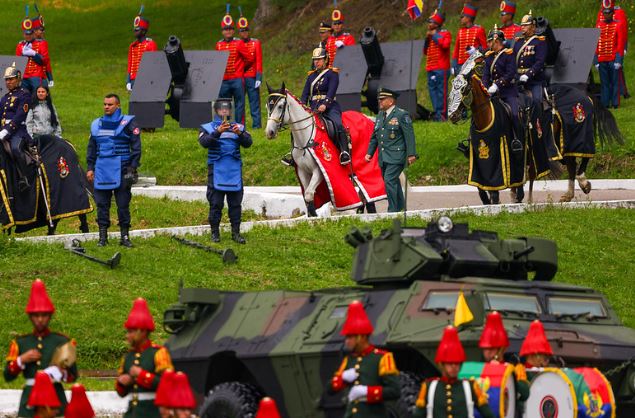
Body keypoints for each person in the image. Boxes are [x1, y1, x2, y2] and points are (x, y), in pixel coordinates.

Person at [3, 279, 78, 417]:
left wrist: (61, 372)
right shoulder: (21, 343)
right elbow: (7, 376)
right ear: (30, 317)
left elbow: (73, 377)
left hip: (56, 398)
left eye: (44, 315)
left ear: (50, 316)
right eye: (36, 315)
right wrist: (21, 360)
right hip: (30, 402)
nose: (40, 319)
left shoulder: (62, 342)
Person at [86, 94, 142, 248]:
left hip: (123, 168)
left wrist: (133, 167)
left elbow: (136, 147)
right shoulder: (96, 124)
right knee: (102, 204)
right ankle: (102, 237)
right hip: (102, 169)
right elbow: (91, 148)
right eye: (104, 104)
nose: (106, 107)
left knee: (123, 204)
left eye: (110, 104)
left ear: (118, 105)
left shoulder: (128, 122)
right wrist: (90, 168)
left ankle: (124, 237)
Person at [330, 301, 400, 417]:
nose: (346, 341)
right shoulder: (349, 360)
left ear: (361, 337)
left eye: (350, 337)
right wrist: (341, 378)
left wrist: (367, 392)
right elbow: (330, 390)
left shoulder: (382, 358)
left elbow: (394, 391)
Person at [199, 99, 252, 244]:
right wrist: (217, 132)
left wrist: (240, 134)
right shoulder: (208, 127)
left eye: (226, 109)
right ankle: (215, 233)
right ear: (216, 111)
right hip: (216, 170)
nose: (224, 111)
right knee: (215, 203)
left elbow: (248, 143)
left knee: (235, 203)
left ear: (230, 110)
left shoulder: (238, 126)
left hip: (234, 170)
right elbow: (204, 143)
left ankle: (236, 233)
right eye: (221, 109)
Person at [413, 326, 495, 418]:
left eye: (457, 363)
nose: (454, 367)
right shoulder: (429, 387)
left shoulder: (471, 386)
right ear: (442, 364)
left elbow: (488, 414)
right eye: (450, 363)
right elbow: (417, 415)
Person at [116, 298, 174, 418]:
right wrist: (122, 383)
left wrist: (141, 374)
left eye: (131, 332)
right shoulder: (128, 357)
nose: (127, 336)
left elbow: (167, 384)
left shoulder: (159, 353)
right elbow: (121, 393)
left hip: (153, 413)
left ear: (142, 331)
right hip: (132, 413)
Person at [365, 88, 417, 212]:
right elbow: (375, 137)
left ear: (391, 101)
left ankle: (392, 210)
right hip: (384, 156)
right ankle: (400, 207)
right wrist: (369, 153)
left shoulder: (401, 115)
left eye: (382, 100)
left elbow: (409, 135)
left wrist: (411, 154)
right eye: (379, 100)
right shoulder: (380, 116)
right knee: (393, 182)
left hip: (397, 155)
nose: (380, 102)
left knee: (389, 180)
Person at [301, 47, 351, 165]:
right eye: (315, 60)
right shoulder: (311, 76)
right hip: (313, 109)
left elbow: (331, 92)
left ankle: (344, 151)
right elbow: (305, 94)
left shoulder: (332, 74)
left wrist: (325, 104)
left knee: (338, 124)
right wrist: (302, 105)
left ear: (326, 59)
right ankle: (295, 153)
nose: (316, 62)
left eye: (319, 59)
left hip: (330, 107)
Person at [479, 312, 530, 411]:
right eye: (485, 348)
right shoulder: (478, 368)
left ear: (501, 349)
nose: (488, 352)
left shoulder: (512, 367)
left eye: (492, 348)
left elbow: (525, 393)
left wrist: (507, 376)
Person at [216, 7, 254, 125]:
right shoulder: (219, 45)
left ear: (233, 31)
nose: (228, 31)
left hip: (237, 79)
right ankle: (225, 125)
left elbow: (250, 58)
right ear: (222, 31)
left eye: (230, 29)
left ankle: (239, 126)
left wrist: (242, 69)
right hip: (224, 80)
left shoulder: (239, 43)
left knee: (239, 104)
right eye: (225, 29)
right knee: (224, 104)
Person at [1, 63, 34, 192]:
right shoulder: (4, 98)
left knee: (15, 149)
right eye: (6, 80)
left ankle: (23, 178)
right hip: (3, 131)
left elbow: (20, 115)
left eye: (11, 79)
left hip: (17, 132)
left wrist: (6, 130)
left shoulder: (24, 95)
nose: (8, 82)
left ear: (18, 79)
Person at [482, 26, 519, 135]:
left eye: (489, 42)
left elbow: (510, 74)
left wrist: (497, 85)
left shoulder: (509, 54)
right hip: (493, 93)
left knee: (515, 115)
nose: (488, 45)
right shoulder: (489, 56)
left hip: (508, 92)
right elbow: (486, 75)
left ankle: (518, 139)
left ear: (496, 41)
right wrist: (485, 87)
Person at [594, 4, 626, 109]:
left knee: (615, 82)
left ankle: (615, 103)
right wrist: (596, 61)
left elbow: (620, 44)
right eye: (604, 13)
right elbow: (596, 44)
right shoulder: (598, 26)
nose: (606, 15)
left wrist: (618, 60)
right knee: (604, 83)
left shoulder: (618, 25)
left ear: (612, 14)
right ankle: (605, 103)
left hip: (613, 58)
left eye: (608, 13)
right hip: (602, 58)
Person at [514, 10, 547, 107]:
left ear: (533, 26)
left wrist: (528, 75)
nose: (522, 27)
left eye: (526, 25)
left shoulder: (540, 42)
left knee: (537, 101)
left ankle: (538, 121)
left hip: (534, 80)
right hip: (518, 79)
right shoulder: (518, 42)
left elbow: (540, 62)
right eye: (522, 25)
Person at [424, 10, 452, 122]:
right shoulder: (429, 35)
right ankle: (436, 113)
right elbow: (425, 51)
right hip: (431, 68)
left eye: (430, 22)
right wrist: (427, 38)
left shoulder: (445, 33)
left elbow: (444, 45)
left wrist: (434, 35)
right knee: (433, 92)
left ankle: (442, 115)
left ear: (436, 23)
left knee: (441, 92)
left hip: (441, 68)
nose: (428, 24)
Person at [237, 10, 263, 129]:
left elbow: (258, 61)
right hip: (240, 77)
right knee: (240, 103)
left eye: (246, 30)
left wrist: (259, 77)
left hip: (252, 77)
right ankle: (239, 126)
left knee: (254, 103)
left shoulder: (255, 43)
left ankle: (256, 126)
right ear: (239, 32)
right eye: (242, 31)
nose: (245, 33)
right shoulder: (236, 44)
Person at [127, 8, 158, 92]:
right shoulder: (132, 46)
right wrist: (128, 81)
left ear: (144, 31)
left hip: (145, 79)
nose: (135, 31)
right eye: (134, 29)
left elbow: (153, 64)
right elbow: (130, 64)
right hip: (133, 79)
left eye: (137, 30)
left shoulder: (150, 44)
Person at [16, 16, 50, 92]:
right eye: (26, 34)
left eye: (30, 34)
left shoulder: (41, 43)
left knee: (37, 95)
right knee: (23, 96)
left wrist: (34, 54)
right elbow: (18, 63)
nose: (28, 36)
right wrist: (23, 55)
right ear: (23, 34)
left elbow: (44, 61)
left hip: (36, 75)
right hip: (24, 76)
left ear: (33, 33)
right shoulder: (20, 45)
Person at [451, 4, 487, 76]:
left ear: (468, 18)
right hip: (461, 65)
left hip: (474, 64)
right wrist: (453, 65)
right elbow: (456, 50)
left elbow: (485, 48)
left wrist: (476, 50)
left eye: (462, 17)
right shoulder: (460, 31)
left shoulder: (479, 30)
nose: (461, 19)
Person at [31, 10, 54, 88]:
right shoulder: (25, 44)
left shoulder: (43, 43)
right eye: (41, 30)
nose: (43, 32)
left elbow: (46, 61)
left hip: (40, 77)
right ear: (35, 31)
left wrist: (50, 78)